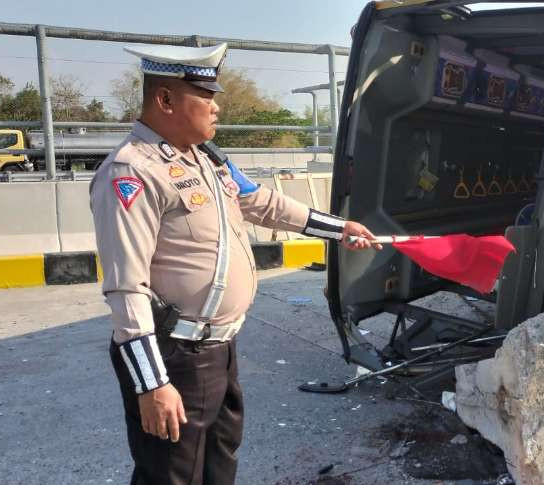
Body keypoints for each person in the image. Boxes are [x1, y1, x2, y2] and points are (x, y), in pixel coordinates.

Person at [89, 42, 378, 485]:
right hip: (174, 356)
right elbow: (126, 288)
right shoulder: (131, 172)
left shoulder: (206, 158)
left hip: (218, 349)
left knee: (219, 465)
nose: (216, 107)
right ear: (165, 100)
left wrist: (340, 229)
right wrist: (151, 384)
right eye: (205, 97)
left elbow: (262, 203)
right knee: (170, 475)